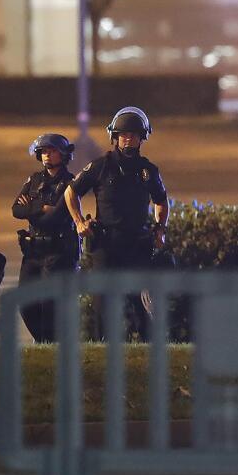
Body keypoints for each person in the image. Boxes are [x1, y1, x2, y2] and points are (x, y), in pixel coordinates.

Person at [64, 107, 168, 341]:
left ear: (142, 137)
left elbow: (161, 201)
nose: (127, 138)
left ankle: (147, 357)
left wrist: (160, 229)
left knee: (141, 308)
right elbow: (71, 192)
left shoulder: (148, 170)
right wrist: (79, 222)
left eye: (133, 134)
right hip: (106, 246)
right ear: (114, 136)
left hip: (137, 246)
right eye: (123, 134)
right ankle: (103, 356)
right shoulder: (101, 165)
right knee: (104, 307)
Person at [12, 133, 80, 343]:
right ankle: (44, 343)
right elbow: (16, 209)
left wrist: (32, 209)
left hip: (58, 252)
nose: (46, 156)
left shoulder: (71, 183)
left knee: (50, 305)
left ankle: (51, 348)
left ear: (63, 154)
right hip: (33, 252)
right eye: (43, 152)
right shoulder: (34, 180)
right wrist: (40, 207)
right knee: (26, 303)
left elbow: (57, 216)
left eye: (51, 151)